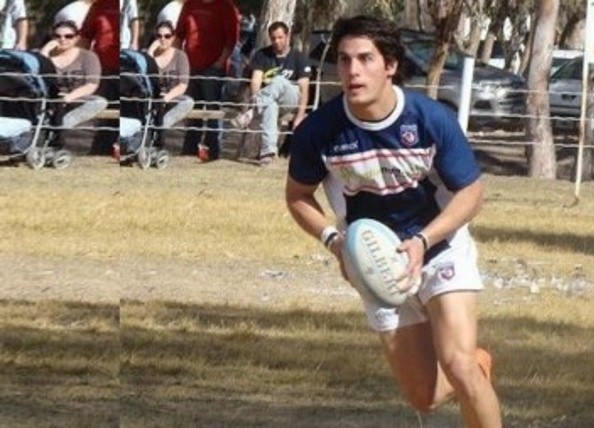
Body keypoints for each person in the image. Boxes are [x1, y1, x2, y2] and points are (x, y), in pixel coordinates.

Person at [284, 15, 502, 428]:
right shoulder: (319, 131)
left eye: (365, 58)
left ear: (390, 65)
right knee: (424, 396)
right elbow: (297, 196)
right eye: (345, 60)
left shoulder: (429, 119)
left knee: (457, 366)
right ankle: (478, 364)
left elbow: (471, 194)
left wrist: (423, 241)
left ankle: (468, 369)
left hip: (439, 249)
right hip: (377, 262)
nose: (353, 70)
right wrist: (335, 243)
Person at [233, 21, 310, 165]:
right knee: (271, 106)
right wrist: (255, 97)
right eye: (273, 38)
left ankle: (251, 113)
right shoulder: (262, 55)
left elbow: (304, 89)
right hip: (269, 99)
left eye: (280, 37)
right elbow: (256, 80)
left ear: (287, 36)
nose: (277, 41)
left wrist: (299, 116)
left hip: (291, 98)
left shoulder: (299, 57)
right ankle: (268, 153)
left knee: (278, 80)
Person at [174, 0, 239, 162]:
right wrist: (178, 61)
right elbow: (179, 35)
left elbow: (231, 40)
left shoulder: (225, 6)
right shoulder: (190, 4)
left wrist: (219, 63)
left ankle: (213, 150)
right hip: (190, 67)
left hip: (213, 68)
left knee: (212, 110)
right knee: (191, 108)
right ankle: (190, 149)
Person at [43, 21, 107, 134]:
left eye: (68, 36)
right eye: (57, 36)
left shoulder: (88, 56)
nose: (62, 39)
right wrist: (44, 51)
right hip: (49, 98)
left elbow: (91, 85)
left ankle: (57, 128)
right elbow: (34, 75)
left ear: (76, 38)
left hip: (76, 97)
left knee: (99, 102)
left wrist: (67, 98)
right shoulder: (45, 56)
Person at [79, 0, 119, 155]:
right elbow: (85, 38)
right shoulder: (99, 6)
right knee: (104, 110)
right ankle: (101, 148)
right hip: (103, 69)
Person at [149, 21, 193, 132]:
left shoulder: (180, 56)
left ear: (172, 38)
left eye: (167, 36)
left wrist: (166, 98)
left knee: (188, 102)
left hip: (172, 97)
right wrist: (150, 52)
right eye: (159, 36)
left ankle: (158, 127)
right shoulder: (150, 56)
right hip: (152, 96)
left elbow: (183, 85)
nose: (163, 39)